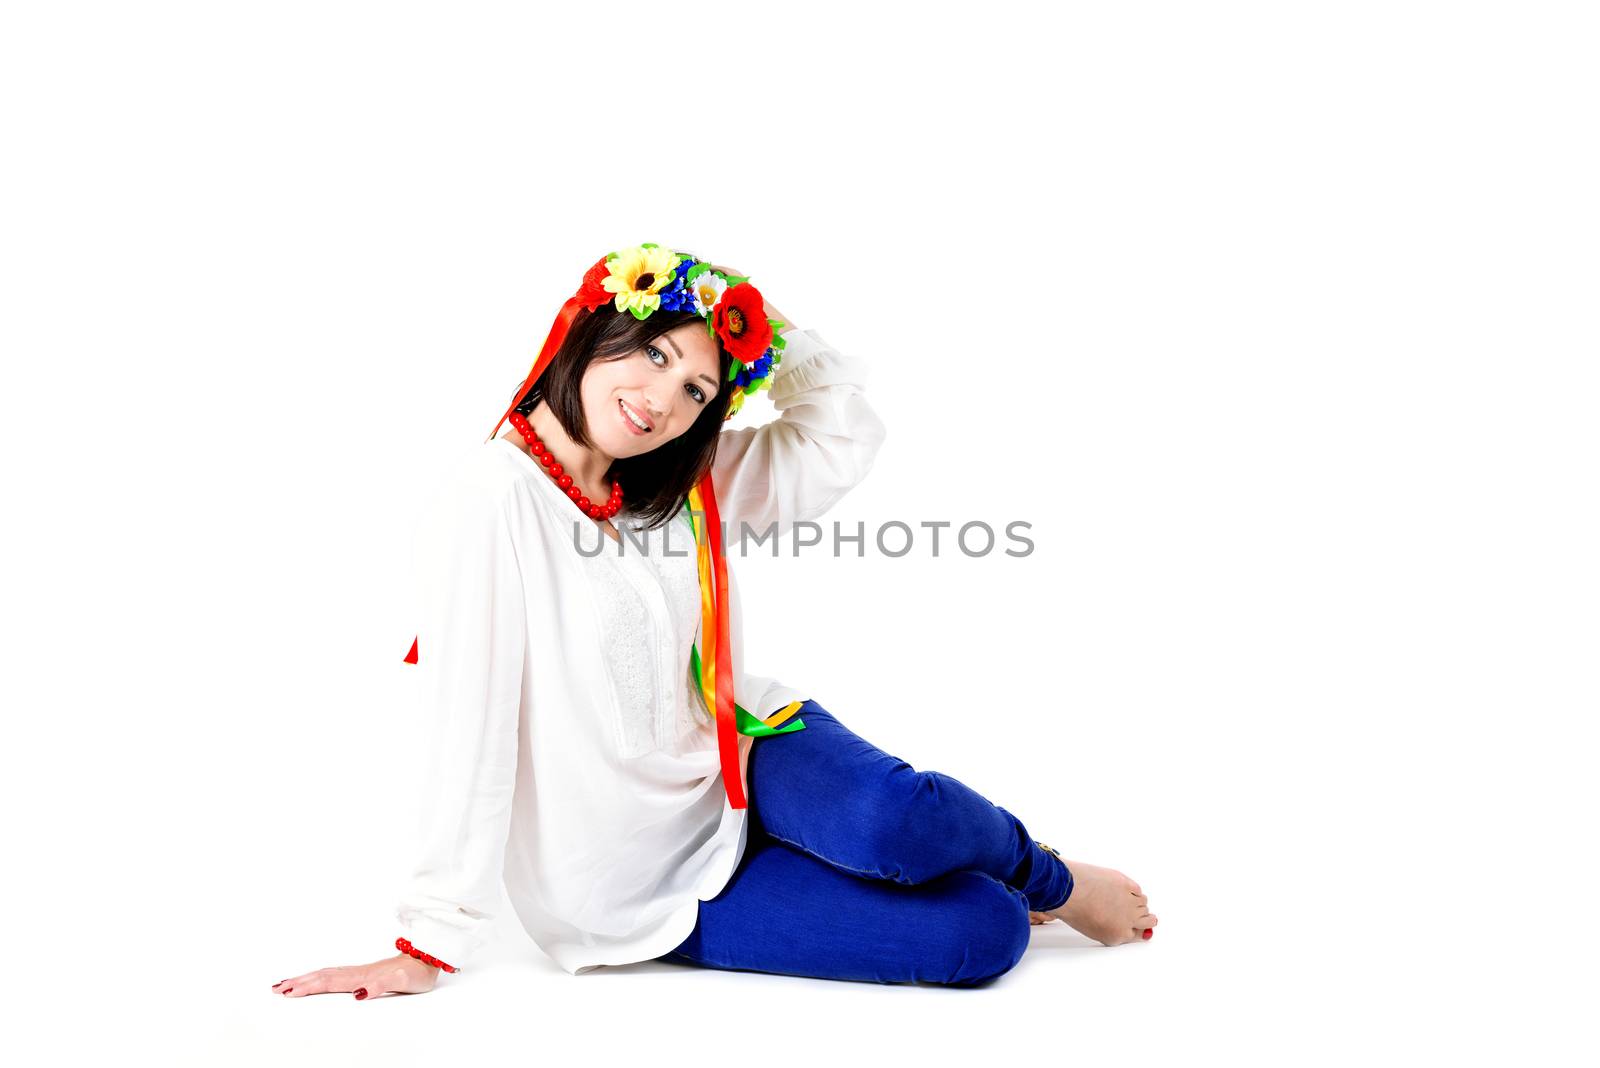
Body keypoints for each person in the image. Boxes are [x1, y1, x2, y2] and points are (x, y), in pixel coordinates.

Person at [272, 244, 1158, 1000]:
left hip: (748, 752)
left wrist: (763, 323)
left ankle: (1053, 876)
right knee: (981, 936)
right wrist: (430, 940)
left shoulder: (676, 476)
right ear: (594, 326)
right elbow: (466, 724)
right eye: (654, 355)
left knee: (898, 821)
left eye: (699, 389)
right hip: (639, 883)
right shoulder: (493, 502)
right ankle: (989, 882)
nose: (662, 402)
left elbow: (840, 437)